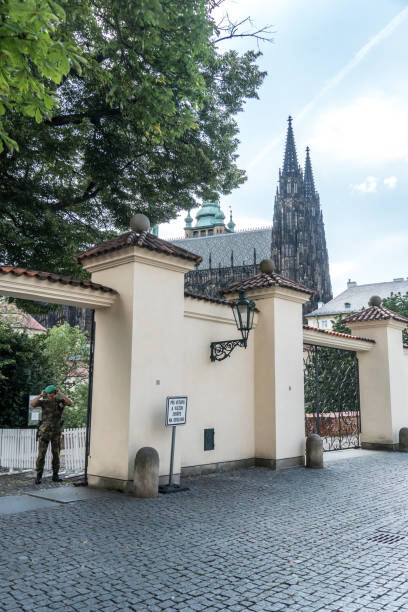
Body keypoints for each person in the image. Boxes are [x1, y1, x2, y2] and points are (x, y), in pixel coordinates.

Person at [30, 385, 72, 484]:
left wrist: (60, 393)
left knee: (56, 454)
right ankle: (39, 476)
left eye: (52, 393)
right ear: (47, 394)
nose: (50, 395)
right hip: (45, 432)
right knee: (41, 455)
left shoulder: (60, 402)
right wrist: (41, 395)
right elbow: (32, 404)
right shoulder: (44, 402)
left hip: (56, 432)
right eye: (49, 393)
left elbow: (70, 403)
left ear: (55, 393)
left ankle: (55, 475)